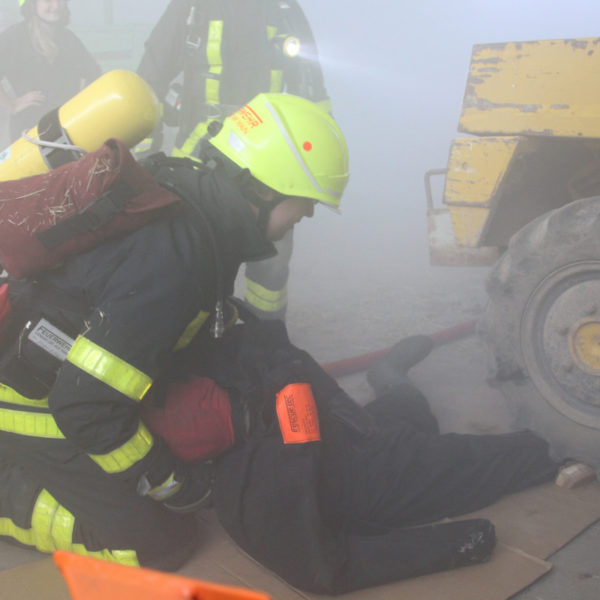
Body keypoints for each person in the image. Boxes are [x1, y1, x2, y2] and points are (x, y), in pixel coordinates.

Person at [0, 92, 557, 592]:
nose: (308, 215)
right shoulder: (176, 257)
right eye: (304, 200)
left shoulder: (191, 200)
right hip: (34, 407)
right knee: (158, 543)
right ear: (261, 189)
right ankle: (8, 494)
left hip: (65, 375)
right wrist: (177, 483)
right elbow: (86, 408)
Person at [136, 0, 331, 321]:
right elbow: (149, 80)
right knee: (193, 253)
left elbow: (311, 91)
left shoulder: (284, 10)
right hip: (201, 157)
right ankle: (190, 340)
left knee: (272, 261)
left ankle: (265, 338)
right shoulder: (191, 8)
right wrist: (144, 156)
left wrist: (316, 167)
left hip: (269, 160)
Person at [0, 0, 101, 143]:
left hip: (68, 129)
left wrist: (80, 107)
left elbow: (94, 74)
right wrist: (12, 106)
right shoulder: (14, 37)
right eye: (48, 0)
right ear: (32, 4)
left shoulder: (69, 39)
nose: (56, 5)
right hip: (30, 133)